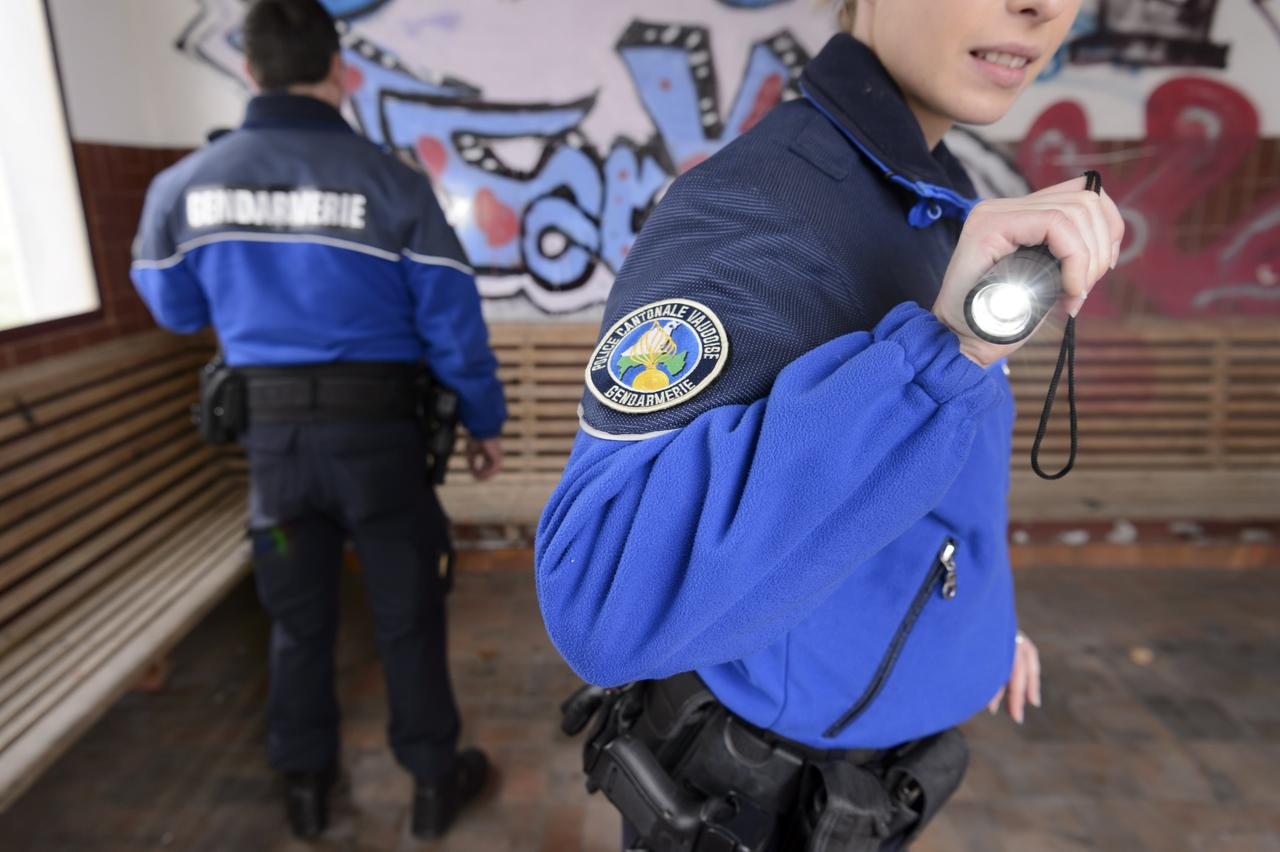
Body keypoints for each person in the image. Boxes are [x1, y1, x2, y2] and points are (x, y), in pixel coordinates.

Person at [537, 0, 1123, 848]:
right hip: (752, 801)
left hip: (866, 771)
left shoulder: (930, 190)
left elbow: (921, 483)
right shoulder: (765, 207)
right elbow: (602, 602)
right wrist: (943, 351)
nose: (1038, 6)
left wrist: (978, 622)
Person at [130, 0, 504, 840]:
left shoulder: (183, 187)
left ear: (251, 71)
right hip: (382, 451)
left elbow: (173, 306)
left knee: (297, 619)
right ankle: (434, 782)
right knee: (409, 612)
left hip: (276, 462)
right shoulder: (392, 181)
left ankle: (304, 786)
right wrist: (483, 420)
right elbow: (452, 318)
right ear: (341, 71)